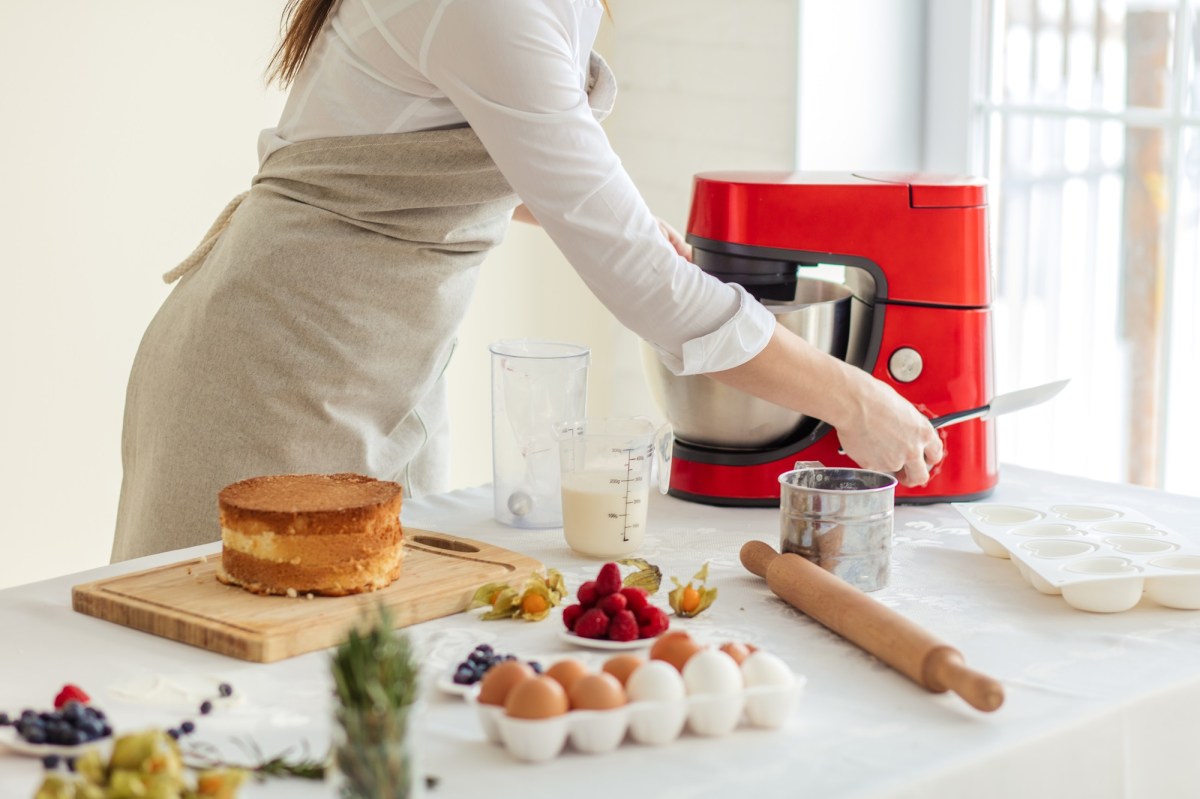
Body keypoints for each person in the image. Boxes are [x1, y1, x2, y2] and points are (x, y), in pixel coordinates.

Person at [111, 0, 943, 561]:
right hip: (273, 373)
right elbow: (654, 296)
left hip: (366, 370)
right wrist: (855, 398)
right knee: (229, 705)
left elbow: (393, 161)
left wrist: (591, 215)